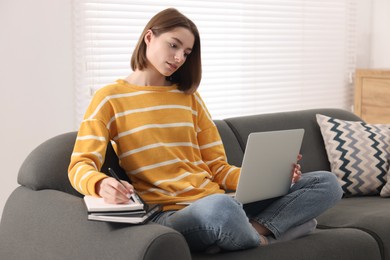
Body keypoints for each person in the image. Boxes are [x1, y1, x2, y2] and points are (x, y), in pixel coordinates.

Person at [68, 8, 343, 253]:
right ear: (149, 37)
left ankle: (251, 231)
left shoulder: (189, 98)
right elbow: (80, 164)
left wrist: (274, 178)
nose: (178, 58)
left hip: (220, 200)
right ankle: (268, 238)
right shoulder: (110, 98)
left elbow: (218, 169)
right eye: (173, 45)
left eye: (186, 53)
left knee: (327, 183)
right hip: (172, 214)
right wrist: (101, 184)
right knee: (222, 210)